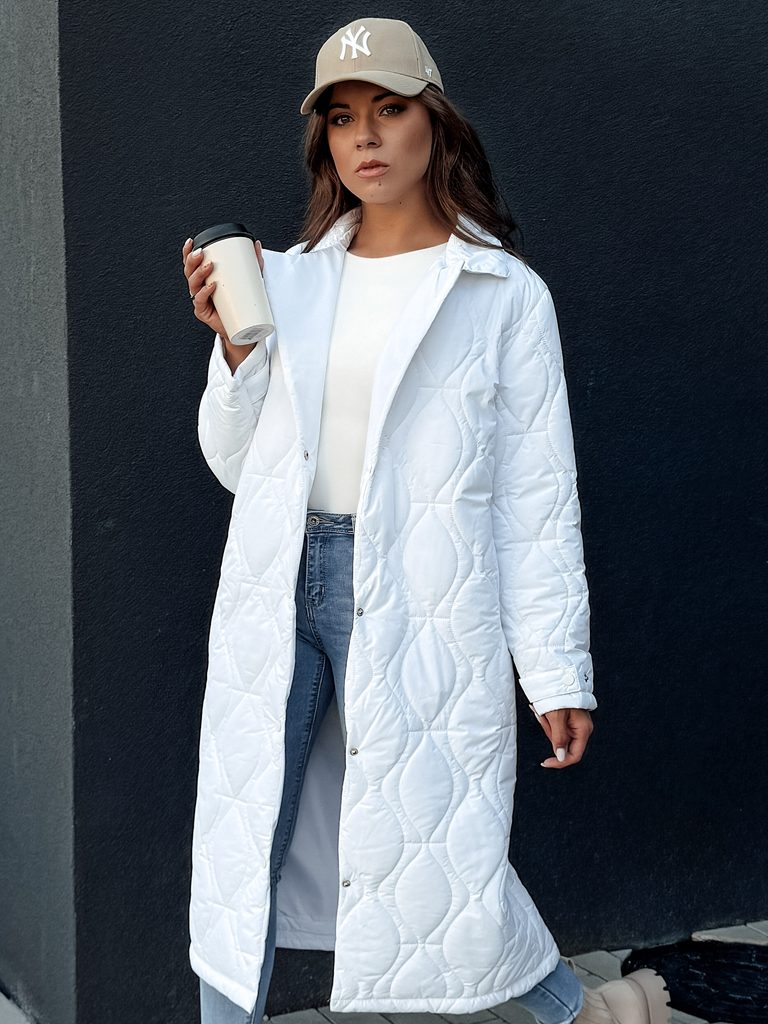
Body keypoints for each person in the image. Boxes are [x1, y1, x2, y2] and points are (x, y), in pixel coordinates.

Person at [181, 17, 672, 1024]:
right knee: (244, 834)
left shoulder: (502, 295)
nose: (365, 136)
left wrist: (556, 672)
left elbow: (536, 496)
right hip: (280, 582)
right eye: (342, 118)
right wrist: (233, 356)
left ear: (434, 124)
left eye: (389, 109)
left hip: (419, 590)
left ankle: (584, 1013)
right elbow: (237, 466)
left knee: (442, 842)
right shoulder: (286, 279)